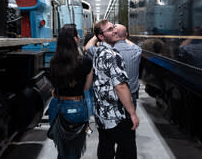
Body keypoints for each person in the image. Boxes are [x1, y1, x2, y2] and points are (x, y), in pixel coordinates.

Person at [91, 19, 139, 159]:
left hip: (102, 113)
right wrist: (132, 113)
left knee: (105, 147)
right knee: (127, 150)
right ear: (101, 36)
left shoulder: (98, 52)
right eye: (110, 30)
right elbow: (120, 86)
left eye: (114, 28)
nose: (115, 31)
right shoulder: (113, 55)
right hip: (116, 115)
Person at [48, 24, 93, 159]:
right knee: (75, 150)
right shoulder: (86, 62)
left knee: (62, 150)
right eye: (77, 35)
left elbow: (54, 86)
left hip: (57, 106)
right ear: (74, 39)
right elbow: (86, 87)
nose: (79, 38)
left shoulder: (53, 62)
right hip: (78, 106)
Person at [85, 24, 142, 108]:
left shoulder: (103, 52)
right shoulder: (137, 50)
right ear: (126, 35)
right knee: (129, 119)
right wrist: (124, 37)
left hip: (112, 97)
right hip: (131, 95)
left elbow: (88, 47)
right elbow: (135, 46)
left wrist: (96, 36)